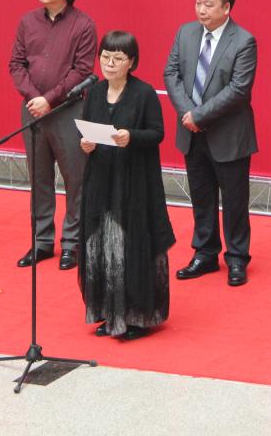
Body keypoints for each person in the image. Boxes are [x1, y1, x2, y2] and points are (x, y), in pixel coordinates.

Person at [78, 31, 175, 340]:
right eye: (105, 57)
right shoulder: (94, 93)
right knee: (103, 246)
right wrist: (86, 144)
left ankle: (136, 318)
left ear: (131, 62)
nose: (109, 63)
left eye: (117, 58)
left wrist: (131, 136)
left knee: (131, 248)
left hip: (134, 183)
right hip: (101, 181)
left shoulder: (144, 94)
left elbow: (157, 133)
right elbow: (85, 130)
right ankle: (108, 313)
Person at [164, 0, 258, 286]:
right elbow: (171, 74)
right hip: (191, 132)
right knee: (201, 196)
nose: (201, 10)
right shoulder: (185, 33)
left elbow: (238, 89)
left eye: (208, 4)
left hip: (228, 134)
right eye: (198, 3)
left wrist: (199, 115)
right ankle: (205, 253)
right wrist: (187, 114)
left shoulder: (243, 41)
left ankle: (237, 258)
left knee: (234, 201)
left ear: (226, 7)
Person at [9, 0, 98, 270]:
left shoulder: (83, 25)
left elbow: (81, 70)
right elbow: (16, 64)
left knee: (76, 179)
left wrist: (49, 99)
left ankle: (72, 243)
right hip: (33, 111)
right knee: (39, 178)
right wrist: (34, 97)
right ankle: (41, 242)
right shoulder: (28, 21)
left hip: (68, 111)